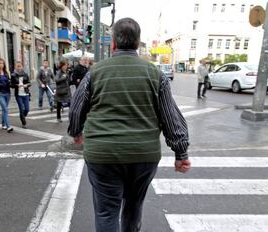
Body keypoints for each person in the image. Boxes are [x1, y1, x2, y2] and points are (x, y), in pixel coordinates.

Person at [68, 18, 191, 232]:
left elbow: (77, 107)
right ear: (137, 43)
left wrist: (76, 133)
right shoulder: (156, 75)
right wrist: (181, 153)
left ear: (113, 43)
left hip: (103, 154)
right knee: (134, 207)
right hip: (143, 154)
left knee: (106, 212)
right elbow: (170, 117)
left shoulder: (95, 73)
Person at [11, 61, 31, 129]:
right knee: (21, 108)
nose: (19, 67)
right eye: (17, 66)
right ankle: (23, 122)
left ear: (22, 66)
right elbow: (11, 85)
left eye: (20, 66)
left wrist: (26, 85)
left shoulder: (25, 74)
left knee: (27, 109)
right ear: (15, 67)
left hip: (26, 93)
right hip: (18, 95)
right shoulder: (13, 75)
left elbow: (29, 83)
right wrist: (17, 85)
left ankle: (22, 116)